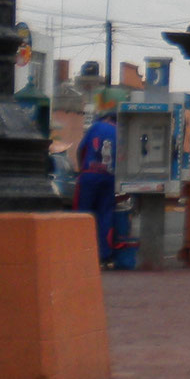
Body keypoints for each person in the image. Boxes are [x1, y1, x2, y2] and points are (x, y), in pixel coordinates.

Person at [74, 107, 119, 266]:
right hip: (109, 178)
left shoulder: (96, 126)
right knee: (105, 215)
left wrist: (81, 169)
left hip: (89, 175)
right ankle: (105, 256)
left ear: (105, 118)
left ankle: (80, 252)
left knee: (83, 214)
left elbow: (81, 150)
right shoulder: (119, 132)